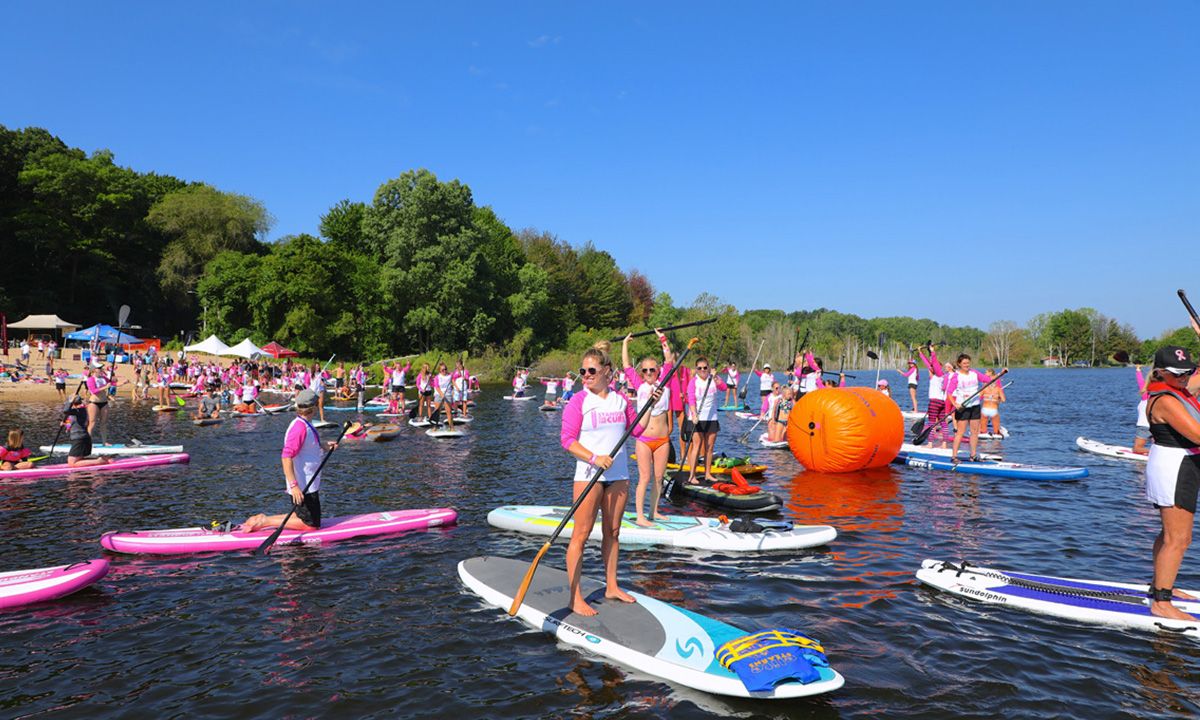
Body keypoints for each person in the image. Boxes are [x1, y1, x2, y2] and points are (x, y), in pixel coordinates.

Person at [560, 340, 658, 615]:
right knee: (580, 534)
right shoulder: (578, 401)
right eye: (583, 371)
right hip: (589, 475)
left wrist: (650, 404)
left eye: (591, 371)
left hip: (618, 476)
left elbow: (637, 431)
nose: (586, 376)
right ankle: (574, 596)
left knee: (613, 533)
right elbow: (567, 440)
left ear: (606, 371)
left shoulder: (620, 399)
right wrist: (594, 457)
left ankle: (611, 586)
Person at [1143, 346, 1200, 621]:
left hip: (1181, 464)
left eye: (1188, 372)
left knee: (1169, 535)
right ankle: (1161, 602)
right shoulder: (1165, 399)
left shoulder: (1180, 387)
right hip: (1175, 467)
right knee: (1178, 538)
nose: (1184, 378)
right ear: (1160, 372)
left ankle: (1162, 586)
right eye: (1178, 374)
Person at [240, 390, 339, 533]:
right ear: (314, 407)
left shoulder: (305, 423)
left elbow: (307, 445)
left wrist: (323, 445)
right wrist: (294, 486)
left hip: (309, 483)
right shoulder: (299, 427)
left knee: (304, 517)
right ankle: (264, 521)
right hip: (302, 485)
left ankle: (264, 519)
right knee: (311, 525)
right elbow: (286, 457)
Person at [622, 330, 674, 526]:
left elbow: (668, 358)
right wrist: (626, 343)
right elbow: (627, 366)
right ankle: (641, 516)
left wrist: (662, 339)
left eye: (652, 370)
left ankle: (654, 512)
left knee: (659, 478)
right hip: (644, 439)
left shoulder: (665, 383)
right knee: (644, 477)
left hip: (662, 440)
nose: (649, 373)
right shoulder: (639, 385)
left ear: (658, 370)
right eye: (645, 371)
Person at [944, 354, 999, 461]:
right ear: (959, 364)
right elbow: (949, 393)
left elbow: (988, 380)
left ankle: (973, 455)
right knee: (960, 432)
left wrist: (1000, 374)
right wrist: (955, 404)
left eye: (968, 363)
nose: (966, 365)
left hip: (975, 406)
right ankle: (954, 456)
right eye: (964, 363)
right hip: (963, 407)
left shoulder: (974, 373)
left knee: (974, 432)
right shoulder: (956, 376)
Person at [684, 355, 728, 484]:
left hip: (712, 417)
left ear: (708, 368)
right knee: (696, 445)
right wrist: (694, 413)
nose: (703, 370)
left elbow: (724, 388)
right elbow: (691, 398)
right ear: (696, 369)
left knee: (710, 447)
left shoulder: (713, 379)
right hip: (697, 417)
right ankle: (692, 475)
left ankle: (708, 473)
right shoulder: (694, 381)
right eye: (700, 368)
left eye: (705, 367)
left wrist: (715, 376)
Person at [918, 344, 952, 449]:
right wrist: (921, 353)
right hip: (942, 402)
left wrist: (931, 352)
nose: (930, 368)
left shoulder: (935, 376)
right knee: (943, 423)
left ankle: (930, 444)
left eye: (931, 367)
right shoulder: (944, 376)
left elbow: (931, 364)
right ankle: (944, 444)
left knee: (931, 423)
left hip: (934, 402)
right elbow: (930, 364)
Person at [63, 394, 111, 467]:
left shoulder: (80, 410)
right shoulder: (75, 412)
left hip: (80, 439)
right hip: (81, 439)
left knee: (71, 463)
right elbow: (71, 420)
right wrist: (66, 425)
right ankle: (103, 459)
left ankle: (99, 461)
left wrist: (70, 401)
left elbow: (66, 410)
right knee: (78, 459)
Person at [85, 364, 113, 446]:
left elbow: (113, 383)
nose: (101, 369)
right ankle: (87, 443)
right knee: (92, 423)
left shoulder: (104, 378)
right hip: (94, 403)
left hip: (104, 402)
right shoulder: (90, 379)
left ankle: (104, 442)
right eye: (99, 368)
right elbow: (94, 391)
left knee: (104, 423)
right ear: (94, 370)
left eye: (101, 368)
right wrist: (105, 387)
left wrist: (124, 382)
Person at [980, 371, 1006, 437]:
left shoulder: (984, 389)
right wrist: (998, 399)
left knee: (983, 424)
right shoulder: (998, 389)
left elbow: (978, 396)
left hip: (985, 409)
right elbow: (1003, 400)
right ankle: (996, 432)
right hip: (994, 410)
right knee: (996, 425)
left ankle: (983, 432)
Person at [1134, 364, 1152, 455]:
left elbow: (1141, 383)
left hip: (1143, 426)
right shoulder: (1159, 397)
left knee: (1137, 449)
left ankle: (1152, 452)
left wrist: (1138, 370)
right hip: (1156, 427)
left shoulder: (1145, 397)